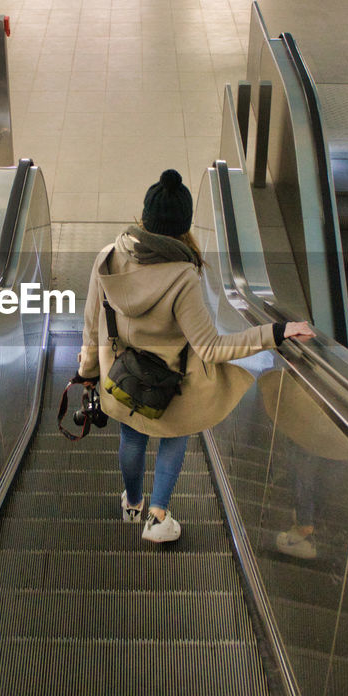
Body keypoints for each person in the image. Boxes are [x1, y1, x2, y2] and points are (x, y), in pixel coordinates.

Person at [75, 169, 314, 543]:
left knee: (132, 438)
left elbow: (92, 325)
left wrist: (87, 371)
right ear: (183, 226)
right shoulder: (183, 277)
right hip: (173, 384)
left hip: (123, 377)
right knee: (176, 434)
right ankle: (157, 518)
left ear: (145, 217)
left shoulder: (108, 258)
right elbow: (211, 348)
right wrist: (276, 332)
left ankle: (132, 504)